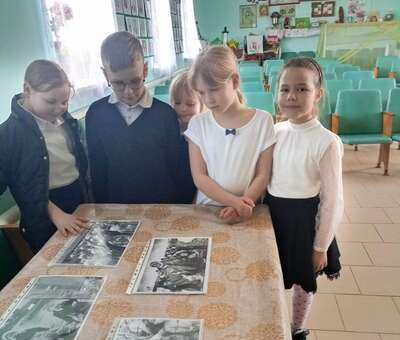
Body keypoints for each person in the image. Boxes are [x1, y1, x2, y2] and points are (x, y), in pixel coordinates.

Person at [266, 57, 343, 340]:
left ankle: (297, 329)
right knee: (270, 273)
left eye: (302, 89)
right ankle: (270, 321)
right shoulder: (274, 131)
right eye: (285, 89)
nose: (292, 96)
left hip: (304, 221)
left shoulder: (327, 142)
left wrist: (320, 246)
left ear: (318, 93)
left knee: (302, 278)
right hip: (272, 216)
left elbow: (333, 200)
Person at [86, 32, 195, 204]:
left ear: (145, 70)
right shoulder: (96, 114)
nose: (128, 92)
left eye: (135, 81)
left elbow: (177, 169)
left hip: (162, 208)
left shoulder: (165, 115)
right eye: (118, 83)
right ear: (106, 75)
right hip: (117, 209)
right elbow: (98, 169)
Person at [0, 60, 88, 253]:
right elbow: (23, 185)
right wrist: (55, 214)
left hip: (79, 200)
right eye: (51, 102)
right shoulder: (8, 135)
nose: (59, 109)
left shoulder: (66, 121)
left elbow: (79, 164)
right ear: (27, 90)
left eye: (64, 101)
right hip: (43, 218)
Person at [184, 45, 276, 224]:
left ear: (234, 81)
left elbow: (263, 174)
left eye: (214, 89)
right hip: (207, 210)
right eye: (201, 92)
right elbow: (200, 177)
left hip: (248, 209)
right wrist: (235, 203)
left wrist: (241, 206)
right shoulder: (198, 124)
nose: (208, 99)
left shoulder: (263, 121)